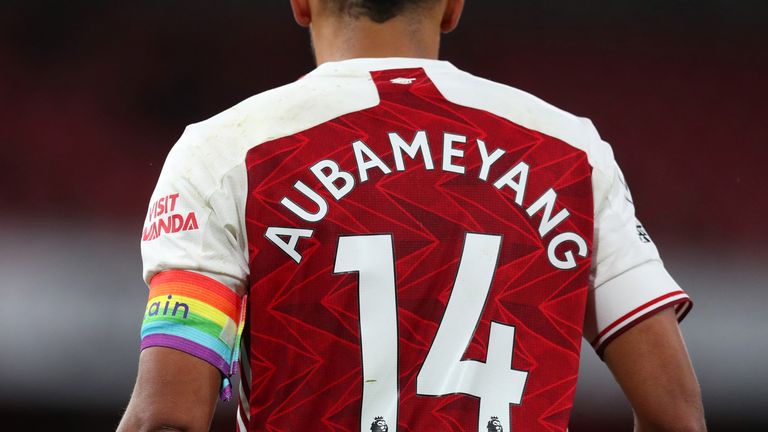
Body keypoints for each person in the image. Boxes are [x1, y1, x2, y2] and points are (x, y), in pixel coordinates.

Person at [118, 1, 706, 431]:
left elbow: (168, 419)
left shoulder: (226, 151)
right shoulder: (569, 151)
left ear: (300, 4)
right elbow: (675, 414)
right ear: (452, 7)